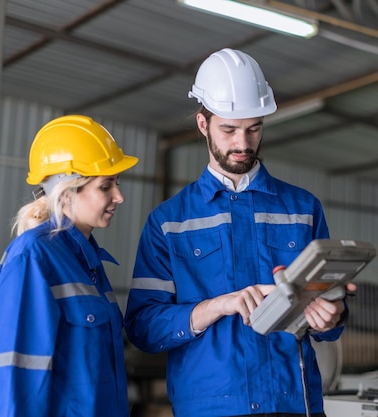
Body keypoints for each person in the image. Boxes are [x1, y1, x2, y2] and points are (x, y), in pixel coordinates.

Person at [124, 48, 352, 417]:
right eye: (229, 130)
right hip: (211, 409)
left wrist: (333, 315)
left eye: (254, 128)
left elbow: (329, 315)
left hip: (293, 404)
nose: (243, 143)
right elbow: (143, 328)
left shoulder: (302, 209)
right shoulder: (168, 222)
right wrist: (218, 306)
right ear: (203, 124)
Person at [0, 115, 139, 417]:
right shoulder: (34, 257)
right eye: (106, 186)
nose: (119, 197)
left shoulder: (86, 261)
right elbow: (16, 374)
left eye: (116, 184)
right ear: (67, 193)